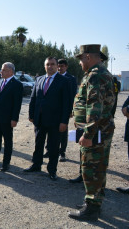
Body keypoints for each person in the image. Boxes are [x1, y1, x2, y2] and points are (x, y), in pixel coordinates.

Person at [68, 44, 115, 221]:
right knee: (98, 167)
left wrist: (88, 135)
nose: (80, 63)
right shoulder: (98, 73)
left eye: (81, 59)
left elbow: (95, 107)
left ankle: (92, 208)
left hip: (96, 131)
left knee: (92, 168)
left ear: (88, 57)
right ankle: (93, 203)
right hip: (99, 129)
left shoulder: (96, 76)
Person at [25, 56, 70, 181]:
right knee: (38, 143)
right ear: (44, 66)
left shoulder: (63, 81)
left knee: (53, 146)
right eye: (47, 64)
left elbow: (67, 103)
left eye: (52, 64)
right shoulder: (39, 79)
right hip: (39, 119)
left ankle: (52, 170)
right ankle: (36, 165)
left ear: (57, 66)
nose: (50, 66)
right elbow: (33, 98)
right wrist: (31, 114)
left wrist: (64, 121)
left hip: (55, 121)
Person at [0, 62, 23, 171]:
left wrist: (14, 118)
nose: (1, 72)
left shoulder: (17, 84)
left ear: (11, 71)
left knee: (7, 141)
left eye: (3, 70)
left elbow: (17, 104)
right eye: (1, 70)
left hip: (7, 118)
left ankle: (6, 163)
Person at [56, 59, 77, 162]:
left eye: (62, 66)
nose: (60, 68)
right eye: (58, 66)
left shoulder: (71, 79)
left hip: (64, 109)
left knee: (63, 131)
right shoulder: (54, 77)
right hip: (53, 109)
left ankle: (62, 152)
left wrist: (70, 110)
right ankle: (49, 150)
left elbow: (72, 95)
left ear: (66, 67)